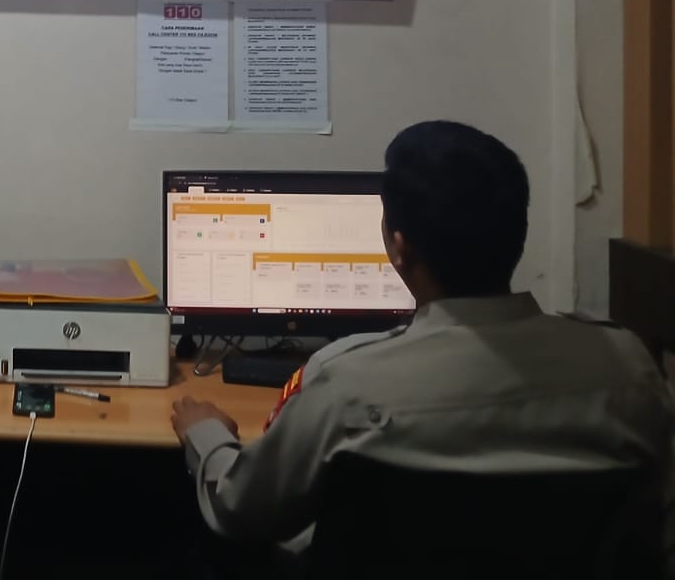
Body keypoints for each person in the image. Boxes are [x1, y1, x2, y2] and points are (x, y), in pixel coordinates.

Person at [171, 120, 674, 564]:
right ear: (519, 232)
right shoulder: (631, 370)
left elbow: (243, 508)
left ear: (399, 248)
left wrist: (207, 435)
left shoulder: (349, 386)